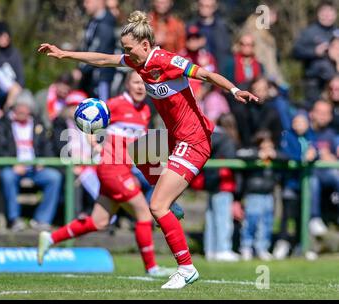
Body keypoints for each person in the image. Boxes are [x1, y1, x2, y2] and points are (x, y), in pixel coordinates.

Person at [37, 10, 258, 289]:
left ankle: (186, 267)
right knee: (139, 152)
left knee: (155, 206)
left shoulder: (166, 60)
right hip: (173, 137)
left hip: (194, 140)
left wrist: (234, 90)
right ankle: (171, 202)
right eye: (124, 49)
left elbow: (204, 74)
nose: (126, 54)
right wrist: (65, 55)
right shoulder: (137, 62)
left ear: (145, 45)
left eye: (129, 49)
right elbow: (104, 60)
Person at [39, 71, 176, 277]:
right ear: (127, 85)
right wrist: (92, 139)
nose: (140, 87)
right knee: (144, 213)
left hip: (122, 170)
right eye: (136, 82)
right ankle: (152, 268)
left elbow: (138, 145)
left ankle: (49, 239)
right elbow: (87, 115)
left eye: (143, 83)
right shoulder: (115, 104)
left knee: (99, 222)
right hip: (112, 170)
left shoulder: (145, 111)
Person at [0, 90, 62, 232]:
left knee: (54, 177)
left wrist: (42, 161)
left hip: (35, 168)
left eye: (26, 108)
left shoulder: (37, 124)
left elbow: (46, 146)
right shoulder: (3, 124)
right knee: (7, 176)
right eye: (20, 107)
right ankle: (14, 218)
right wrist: (13, 164)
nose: (22, 110)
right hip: (13, 167)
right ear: (15, 107)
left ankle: (42, 219)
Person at [237, 130, 286, 261]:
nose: (267, 145)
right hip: (253, 195)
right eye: (265, 142)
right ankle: (246, 247)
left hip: (268, 194)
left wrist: (274, 155)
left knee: (267, 222)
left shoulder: (274, 154)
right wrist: (259, 154)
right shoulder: (252, 152)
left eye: (269, 142)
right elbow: (240, 154)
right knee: (251, 222)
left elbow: (287, 157)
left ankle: (262, 248)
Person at [274, 111, 316, 259]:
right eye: (296, 122)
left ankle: (302, 245)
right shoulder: (287, 136)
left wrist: (314, 153)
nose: (298, 125)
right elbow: (287, 154)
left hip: (305, 184)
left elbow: (314, 150)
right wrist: (303, 157)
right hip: (290, 183)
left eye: (302, 122)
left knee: (302, 216)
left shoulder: (310, 135)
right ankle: (283, 244)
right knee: (287, 216)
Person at [203, 113, 240, 262]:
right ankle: (223, 249)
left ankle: (210, 249)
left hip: (211, 182)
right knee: (223, 219)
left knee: (211, 218)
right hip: (224, 183)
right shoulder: (226, 139)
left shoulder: (210, 137)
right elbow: (232, 157)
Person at [293, 0, 338, 106]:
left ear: (335, 14)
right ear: (318, 14)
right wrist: (314, 52)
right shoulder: (309, 32)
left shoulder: (337, 32)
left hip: (335, 84)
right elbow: (295, 52)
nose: (327, 15)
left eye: (330, 12)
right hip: (314, 83)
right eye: (324, 12)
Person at [308, 99, 339, 236]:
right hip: (309, 174)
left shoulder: (332, 134)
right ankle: (314, 218)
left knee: (335, 175)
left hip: (328, 174)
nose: (322, 116)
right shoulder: (305, 131)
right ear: (312, 113)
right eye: (319, 112)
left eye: (326, 113)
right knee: (312, 181)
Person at [240, 1, 287, 88]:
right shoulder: (256, 35)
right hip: (262, 82)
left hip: (268, 80)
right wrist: (275, 82)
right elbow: (262, 61)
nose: (275, 17)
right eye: (272, 14)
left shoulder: (266, 34)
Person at [79, 0, 117, 101]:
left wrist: (81, 70)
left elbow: (99, 51)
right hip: (90, 76)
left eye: (88, 1)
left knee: (102, 110)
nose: (84, 5)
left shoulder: (106, 23)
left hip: (101, 77)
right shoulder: (93, 21)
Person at [188, 0, 232, 73]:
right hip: (197, 72)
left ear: (214, 7)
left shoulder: (223, 27)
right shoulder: (191, 26)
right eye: (202, 5)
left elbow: (226, 51)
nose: (204, 9)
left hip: (220, 71)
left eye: (208, 6)